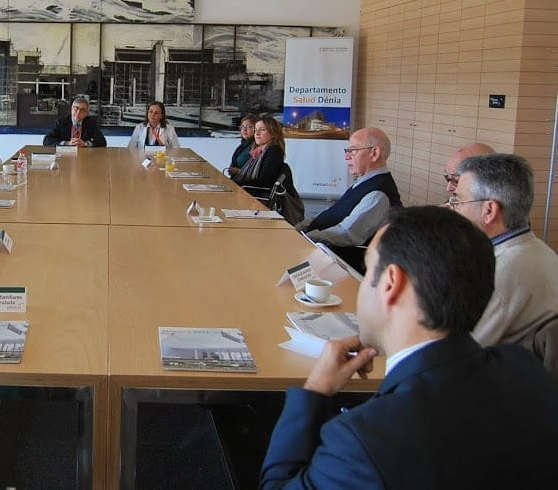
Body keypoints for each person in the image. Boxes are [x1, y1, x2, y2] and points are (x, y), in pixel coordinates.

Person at [261, 206, 558, 489]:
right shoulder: (525, 368)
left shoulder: (364, 440)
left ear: (391, 283)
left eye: (366, 272)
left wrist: (313, 393)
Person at [450, 153, 558, 347]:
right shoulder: (538, 249)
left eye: (458, 201)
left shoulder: (502, 273)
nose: (453, 208)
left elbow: (455, 351)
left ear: (489, 210)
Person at [299, 127, 401, 271]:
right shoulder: (364, 181)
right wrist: (300, 227)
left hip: (340, 264)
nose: (347, 157)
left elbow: (347, 234)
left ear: (374, 153)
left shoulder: (378, 194)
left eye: (353, 151)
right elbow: (333, 211)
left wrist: (306, 238)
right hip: (322, 251)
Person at [230, 116, 285, 190]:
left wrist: (234, 185)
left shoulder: (274, 152)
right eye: (256, 130)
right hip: (248, 190)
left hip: (255, 196)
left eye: (262, 130)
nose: (257, 133)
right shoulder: (259, 151)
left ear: (273, 133)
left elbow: (265, 182)